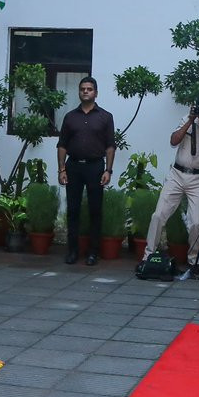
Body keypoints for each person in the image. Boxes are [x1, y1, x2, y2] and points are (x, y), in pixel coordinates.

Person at [145, 95, 199, 267]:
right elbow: (173, 141)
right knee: (158, 215)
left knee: (197, 222)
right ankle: (147, 256)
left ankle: (193, 261)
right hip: (177, 175)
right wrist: (190, 121)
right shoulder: (187, 118)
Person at [56, 77, 115, 266]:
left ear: (96, 93)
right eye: (82, 89)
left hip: (95, 167)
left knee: (95, 210)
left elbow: (110, 146)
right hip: (73, 167)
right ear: (79, 92)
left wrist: (108, 170)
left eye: (89, 89)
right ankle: (72, 251)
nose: (85, 91)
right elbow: (62, 145)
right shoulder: (70, 117)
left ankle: (93, 253)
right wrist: (62, 169)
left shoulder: (105, 117)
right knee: (73, 210)